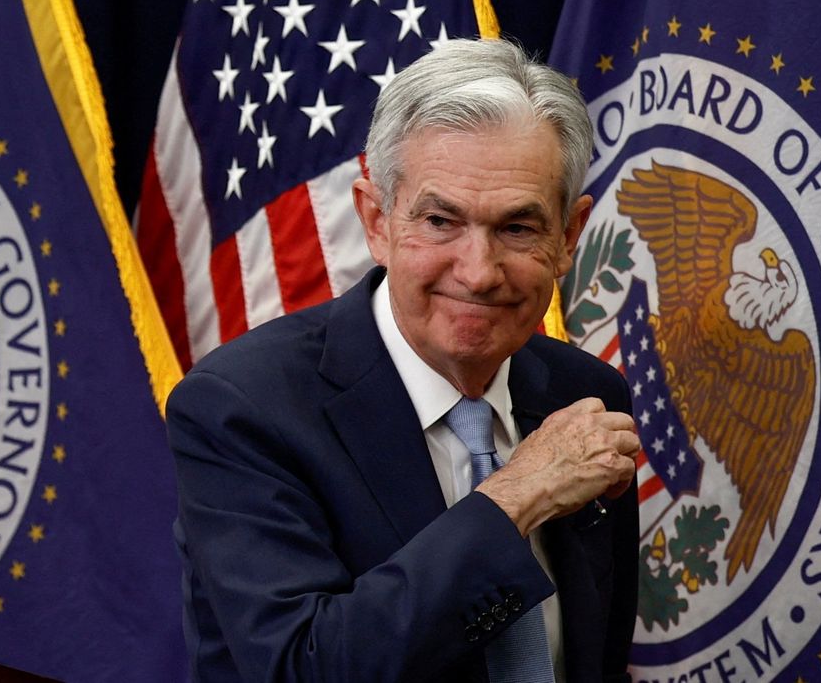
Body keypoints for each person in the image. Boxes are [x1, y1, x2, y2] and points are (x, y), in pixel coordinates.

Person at [167, 38, 641, 682]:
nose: (478, 273)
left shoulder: (585, 393)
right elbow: (301, 669)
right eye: (441, 221)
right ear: (377, 220)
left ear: (568, 237)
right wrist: (518, 495)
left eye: (518, 228)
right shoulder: (241, 406)